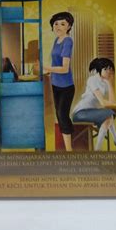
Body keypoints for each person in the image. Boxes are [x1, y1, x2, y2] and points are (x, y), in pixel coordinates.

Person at [72, 58, 116, 151]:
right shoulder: (92, 80)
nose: (109, 71)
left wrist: (110, 83)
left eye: (110, 69)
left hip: (91, 112)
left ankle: (104, 146)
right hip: (80, 113)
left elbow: (112, 103)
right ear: (99, 69)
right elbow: (103, 103)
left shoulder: (105, 83)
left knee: (108, 117)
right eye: (105, 69)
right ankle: (111, 143)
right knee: (109, 114)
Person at [43, 12, 75, 152]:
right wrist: (48, 72)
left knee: (62, 115)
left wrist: (46, 68)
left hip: (66, 86)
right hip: (55, 84)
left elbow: (64, 68)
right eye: (56, 24)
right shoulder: (57, 40)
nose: (58, 26)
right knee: (59, 115)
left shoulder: (68, 41)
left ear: (69, 26)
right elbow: (55, 62)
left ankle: (69, 150)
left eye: (62, 24)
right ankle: (68, 147)